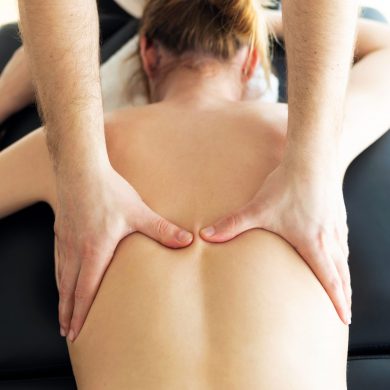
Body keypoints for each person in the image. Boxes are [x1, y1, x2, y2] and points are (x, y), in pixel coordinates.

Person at [1, 2, 390, 388]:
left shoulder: (74, 153)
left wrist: (7, 94)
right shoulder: (308, 143)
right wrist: (264, 22)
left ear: (148, 55)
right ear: (253, 58)